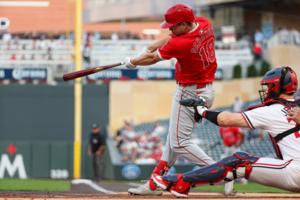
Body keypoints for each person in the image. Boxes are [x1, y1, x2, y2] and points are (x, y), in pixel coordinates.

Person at [125, 3, 234, 196]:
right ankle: (154, 183)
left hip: (190, 93)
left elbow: (153, 59)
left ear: (184, 23)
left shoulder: (183, 44)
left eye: (174, 25)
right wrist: (148, 47)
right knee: (171, 141)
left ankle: (222, 171)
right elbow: (170, 37)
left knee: (179, 143)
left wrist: (133, 62)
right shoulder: (203, 23)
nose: (171, 28)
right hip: (204, 90)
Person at [152, 66, 300, 197]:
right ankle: (188, 182)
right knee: (237, 167)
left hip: (295, 172)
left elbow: (225, 120)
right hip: (295, 171)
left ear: (276, 87)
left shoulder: (274, 110)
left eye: (269, 86)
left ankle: (180, 182)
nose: (266, 90)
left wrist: (201, 110)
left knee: (239, 161)